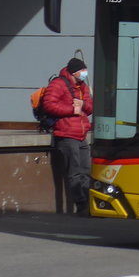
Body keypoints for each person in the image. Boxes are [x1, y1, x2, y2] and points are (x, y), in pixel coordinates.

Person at [42, 57, 94, 215]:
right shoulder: (58, 84)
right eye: (82, 71)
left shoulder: (82, 86)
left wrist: (83, 105)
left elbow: (90, 107)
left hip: (81, 133)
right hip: (66, 134)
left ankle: (88, 203)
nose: (85, 73)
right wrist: (71, 109)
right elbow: (48, 104)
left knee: (86, 170)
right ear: (74, 72)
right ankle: (81, 205)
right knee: (75, 172)